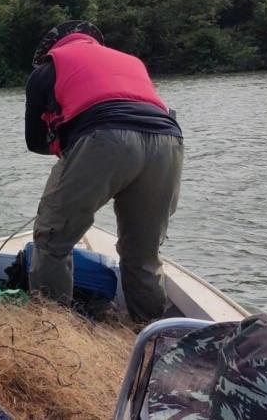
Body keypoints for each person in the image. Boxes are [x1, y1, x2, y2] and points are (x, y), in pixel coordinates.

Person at [24, 20, 184, 322]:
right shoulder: (131, 61)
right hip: (169, 142)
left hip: (103, 138)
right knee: (143, 254)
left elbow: (35, 142)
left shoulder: (48, 69)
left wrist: (71, 154)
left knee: (51, 239)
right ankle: (148, 333)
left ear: (51, 49)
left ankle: (51, 332)